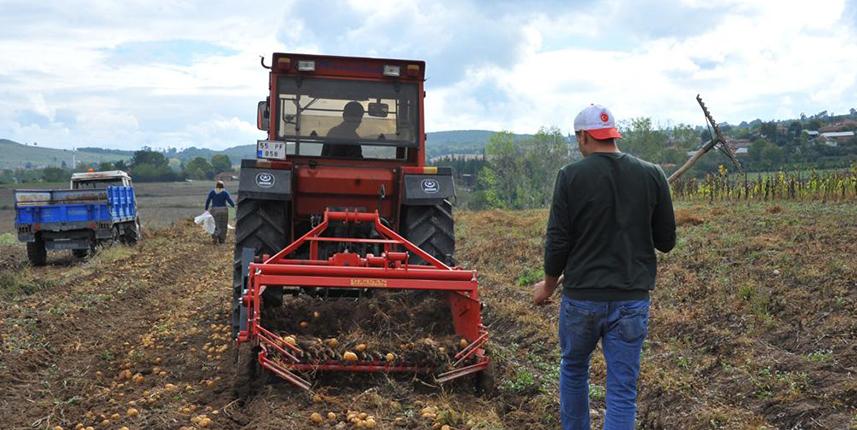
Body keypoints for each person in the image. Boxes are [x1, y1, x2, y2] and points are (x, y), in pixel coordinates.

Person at [533, 104, 676, 429]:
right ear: (612, 135)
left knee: (573, 369)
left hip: (582, 298)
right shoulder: (653, 174)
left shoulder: (570, 176)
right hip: (631, 299)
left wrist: (548, 287)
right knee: (622, 390)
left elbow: (558, 240)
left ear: (584, 136)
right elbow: (666, 241)